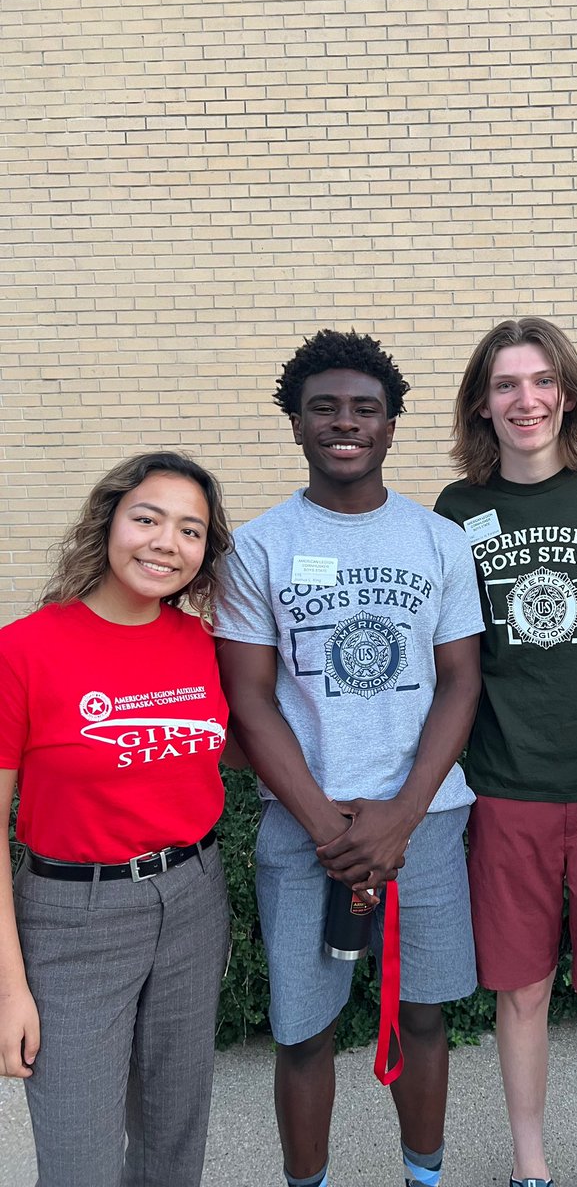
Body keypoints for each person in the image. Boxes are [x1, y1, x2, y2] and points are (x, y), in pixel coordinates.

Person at [214, 329, 484, 1187]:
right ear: (295, 423)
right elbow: (250, 700)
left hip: (426, 824)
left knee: (426, 1016)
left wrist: (401, 815)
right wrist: (334, 828)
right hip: (305, 830)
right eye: (323, 407)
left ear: (391, 427)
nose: (344, 423)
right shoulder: (257, 548)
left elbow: (460, 684)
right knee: (303, 1031)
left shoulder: (438, 541)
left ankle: (424, 1176)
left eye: (365, 409)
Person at [435, 318, 577, 1187]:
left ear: (566, 392)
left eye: (540, 381)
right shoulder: (461, 509)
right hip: (507, 788)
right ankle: (530, 1164)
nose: (524, 400)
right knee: (522, 990)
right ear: (482, 403)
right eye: (504, 385)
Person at [0, 451, 233, 1187]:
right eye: (148, 518)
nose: (167, 542)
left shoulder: (200, 645)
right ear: (108, 523)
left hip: (194, 898)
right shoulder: (23, 650)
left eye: (190, 530)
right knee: (79, 1162)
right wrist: (10, 989)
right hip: (71, 919)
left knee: (174, 1140)